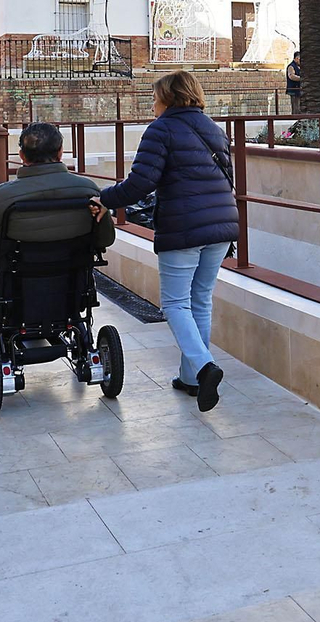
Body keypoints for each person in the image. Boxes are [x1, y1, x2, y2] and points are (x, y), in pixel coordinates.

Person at [90, 72, 238, 412]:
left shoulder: (161, 130)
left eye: (155, 97)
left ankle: (203, 366)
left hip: (184, 227)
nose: (152, 103)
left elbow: (141, 182)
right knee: (199, 300)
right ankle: (191, 378)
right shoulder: (213, 128)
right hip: (222, 224)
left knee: (174, 304)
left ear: (169, 98)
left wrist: (104, 199)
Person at [0, 122, 115, 266]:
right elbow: (106, 239)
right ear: (60, 152)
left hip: (13, 287)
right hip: (73, 284)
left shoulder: (0, 197)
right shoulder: (88, 190)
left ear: (22, 155)